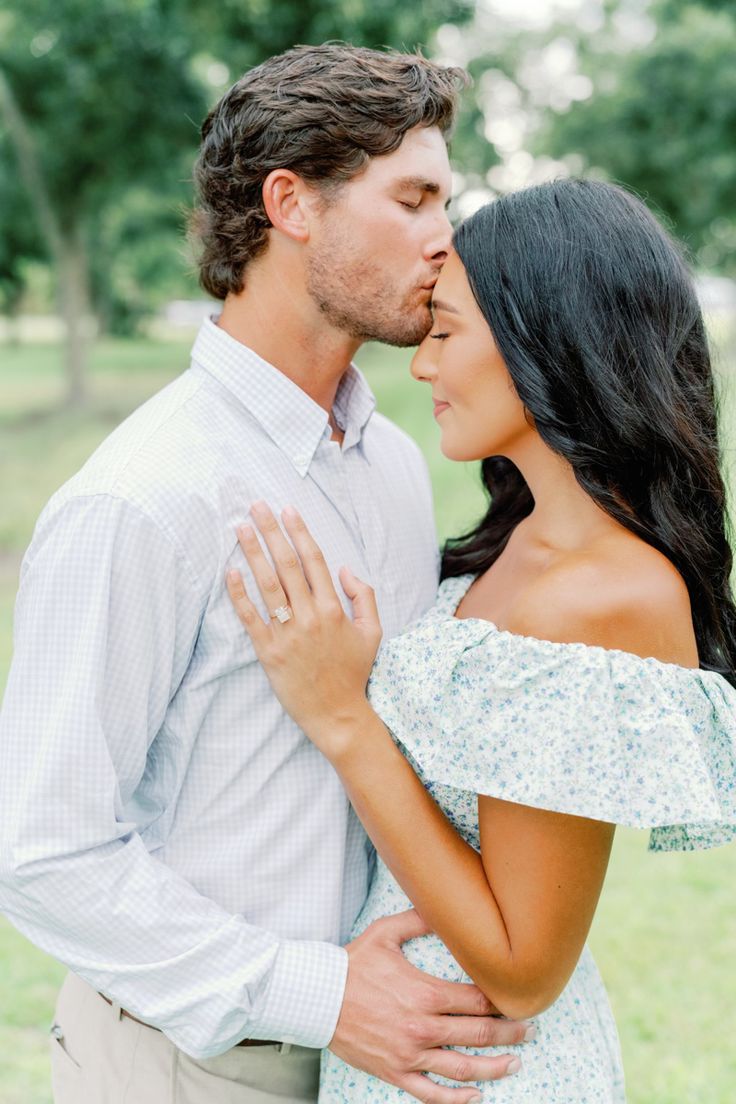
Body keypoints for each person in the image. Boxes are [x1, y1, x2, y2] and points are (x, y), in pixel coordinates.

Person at [0, 44, 530, 1104]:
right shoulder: (143, 499)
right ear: (291, 203)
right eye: (414, 198)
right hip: (185, 1067)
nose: (444, 239)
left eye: (446, 201)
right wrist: (321, 996)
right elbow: (45, 854)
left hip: (373, 1067)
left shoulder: (389, 463)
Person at [225, 179, 736, 1103]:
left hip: (490, 1071)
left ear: (547, 344)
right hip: (414, 1048)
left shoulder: (606, 597)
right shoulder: (525, 536)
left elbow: (522, 970)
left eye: (446, 333)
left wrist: (344, 719)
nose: (421, 366)